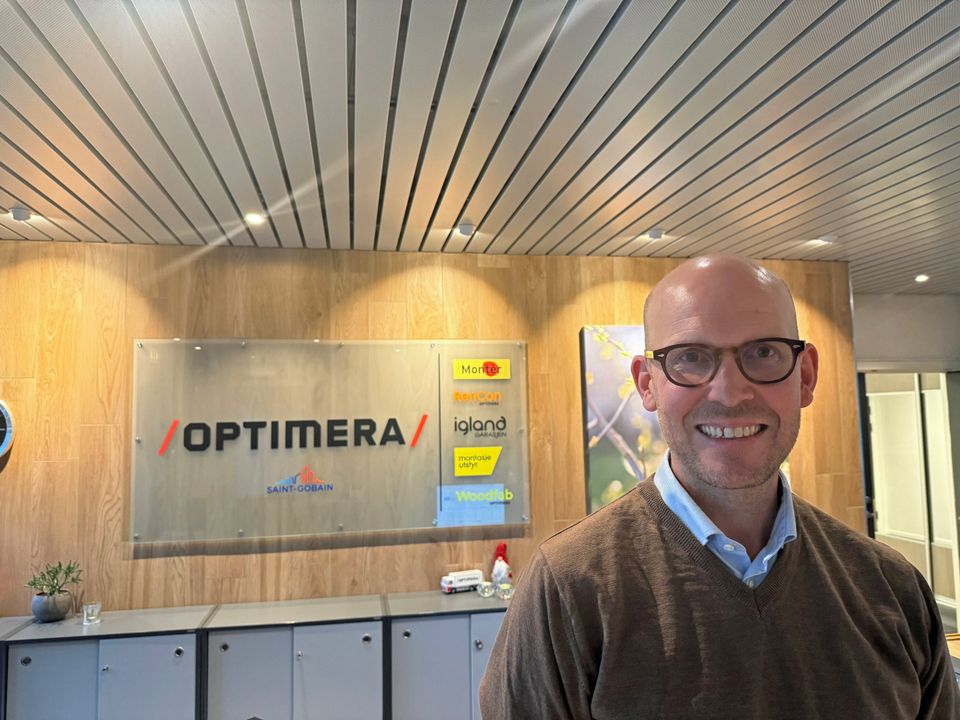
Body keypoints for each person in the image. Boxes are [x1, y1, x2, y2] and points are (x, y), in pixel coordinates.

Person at [479, 255, 959, 719]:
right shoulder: (568, 589)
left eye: (764, 353)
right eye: (690, 358)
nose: (729, 393)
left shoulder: (891, 588)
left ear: (806, 376)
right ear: (647, 384)